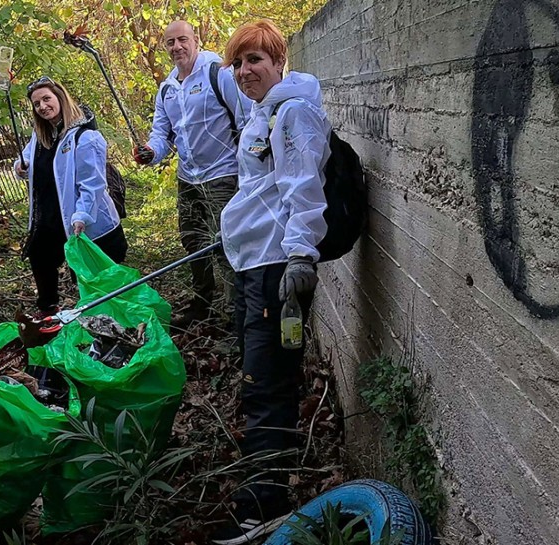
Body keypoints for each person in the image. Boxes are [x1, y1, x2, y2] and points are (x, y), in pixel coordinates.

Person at [212, 20, 332, 545]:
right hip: (251, 267)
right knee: (261, 377)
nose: (244, 72)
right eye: (238, 63)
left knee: (266, 385)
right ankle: (267, 483)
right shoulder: (262, 115)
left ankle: (263, 507)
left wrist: (301, 257)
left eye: (255, 60)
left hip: (276, 271)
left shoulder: (293, 113)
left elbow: (303, 187)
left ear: (280, 62)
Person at [133, 20, 253, 328]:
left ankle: (235, 313)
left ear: (195, 39)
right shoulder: (168, 88)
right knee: (192, 241)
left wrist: (250, 169)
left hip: (223, 176)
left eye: (182, 40)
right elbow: (162, 133)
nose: (177, 47)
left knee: (227, 245)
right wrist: (151, 151)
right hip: (188, 179)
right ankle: (202, 303)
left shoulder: (219, 72)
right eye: (170, 43)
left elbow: (245, 118)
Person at [14, 76, 127, 318]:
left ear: (60, 97)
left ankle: (110, 321)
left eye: (47, 99)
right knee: (40, 256)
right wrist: (20, 167)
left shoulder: (85, 137)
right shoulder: (41, 135)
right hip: (51, 217)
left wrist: (82, 215)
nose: (43, 106)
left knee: (94, 283)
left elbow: (93, 184)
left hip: (90, 225)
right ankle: (48, 312)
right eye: (37, 104)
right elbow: (27, 158)